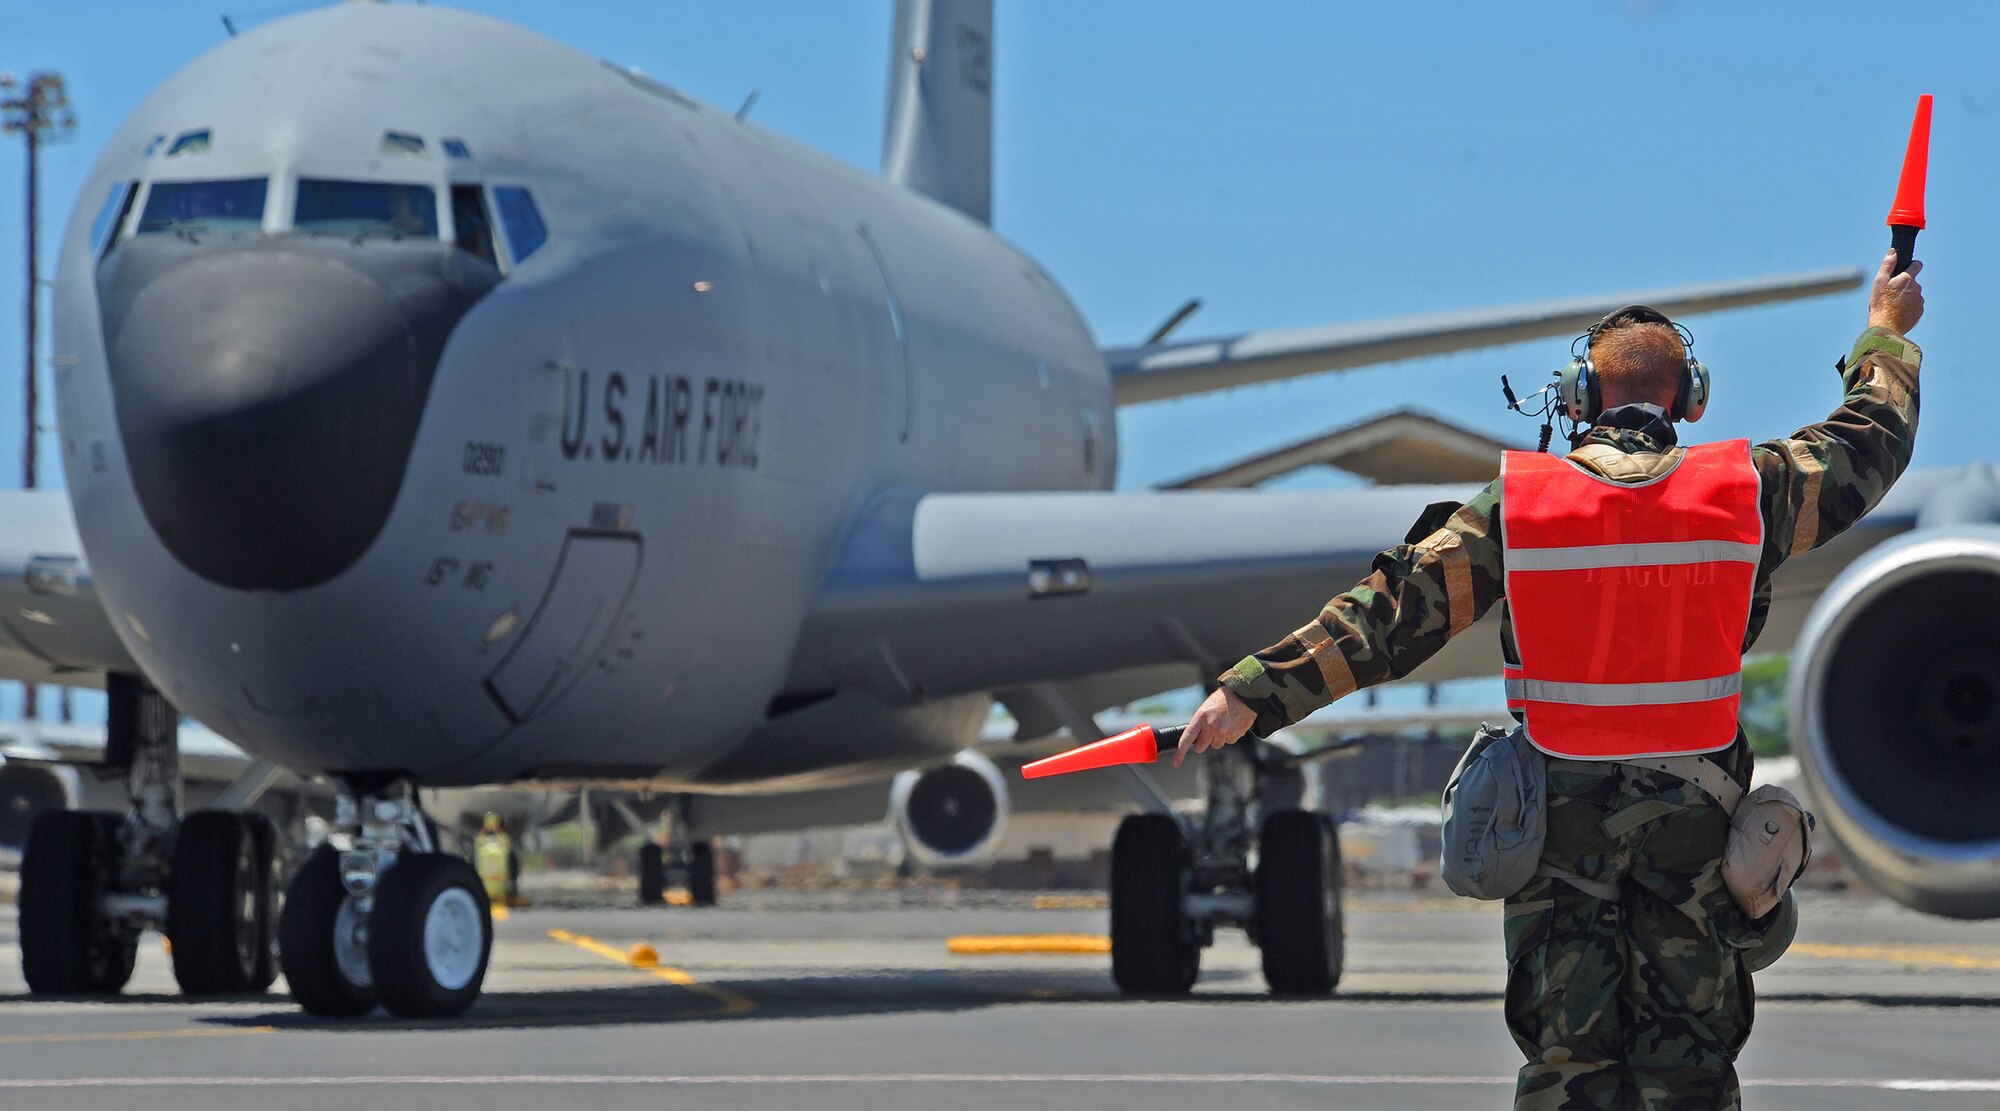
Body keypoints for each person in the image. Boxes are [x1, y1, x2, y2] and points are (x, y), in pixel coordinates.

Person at [1176, 250, 1924, 1109]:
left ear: (1576, 397)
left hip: (1556, 830)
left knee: (1566, 1066)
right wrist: (1884, 330)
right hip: (1695, 828)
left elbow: (1389, 616)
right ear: (1690, 398)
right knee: (1691, 1067)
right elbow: (1874, 438)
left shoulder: (1520, 504)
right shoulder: (1749, 489)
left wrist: (1251, 692)